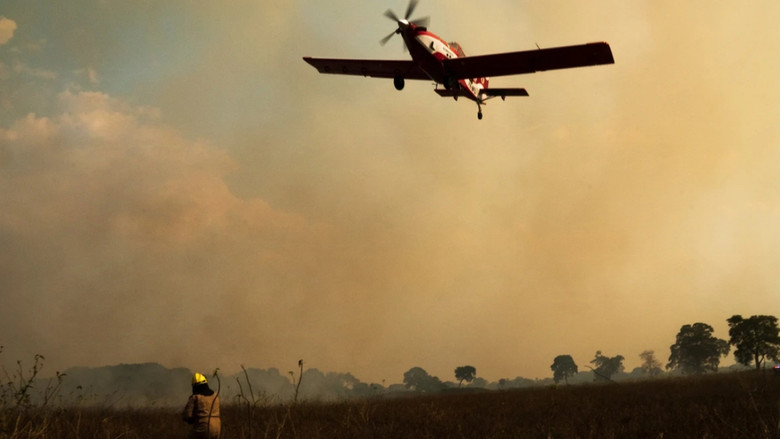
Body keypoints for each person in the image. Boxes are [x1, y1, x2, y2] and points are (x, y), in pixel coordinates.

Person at [182, 372, 221, 439]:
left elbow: (187, 415)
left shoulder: (195, 397)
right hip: (217, 427)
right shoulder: (215, 396)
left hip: (203, 427)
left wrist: (190, 419)